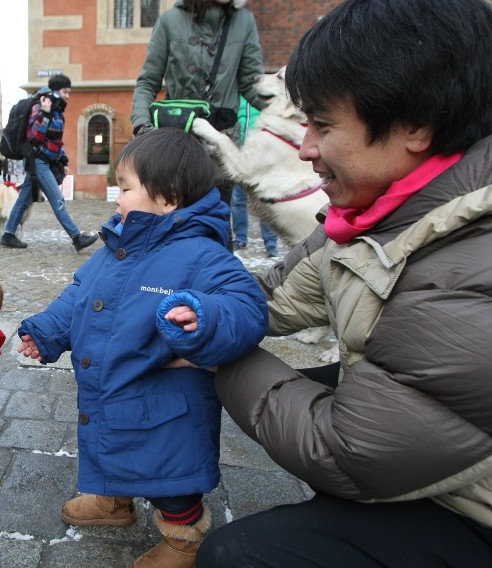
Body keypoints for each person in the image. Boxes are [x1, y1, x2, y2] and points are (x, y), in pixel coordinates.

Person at [197, 0, 492, 566]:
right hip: (423, 450)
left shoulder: (468, 262)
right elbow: (276, 291)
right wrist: (191, 304)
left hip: (473, 509)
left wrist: (212, 351)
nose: (306, 147)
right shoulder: (373, 214)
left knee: (236, 556)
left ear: (416, 125)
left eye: (324, 126)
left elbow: (348, 451)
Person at [17, 128, 268, 568]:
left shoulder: (201, 255)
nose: (117, 195)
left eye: (127, 187)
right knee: (107, 443)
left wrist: (204, 316)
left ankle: (183, 539)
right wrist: (47, 331)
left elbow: (246, 305)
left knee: (169, 478)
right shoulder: (117, 247)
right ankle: (113, 501)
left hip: (166, 406)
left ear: (167, 198)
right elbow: (79, 296)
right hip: (112, 388)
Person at [131, 0, 265, 248]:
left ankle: (219, 285)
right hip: (179, 147)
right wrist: (141, 125)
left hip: (220, 146)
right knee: (176, 227)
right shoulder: (170, 21)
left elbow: (252, 84)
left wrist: (294, 107)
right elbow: (148, 82)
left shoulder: (243, 21)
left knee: (218, 229)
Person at [0, 74, 99, 252]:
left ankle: (8, 234)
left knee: (24, 200)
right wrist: (44, 113)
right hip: (38, 162)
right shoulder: (40, 107)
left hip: (47, 161)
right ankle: (77, 237)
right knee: (57, 199)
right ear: (55, 91)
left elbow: (56, 140)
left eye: (69, 92)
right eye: (64, 91)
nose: (68, 95)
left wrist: (63, 160)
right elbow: (34, 137)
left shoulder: (59, 111)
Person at [231, 97, 278, 257]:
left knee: (265, 201)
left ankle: (271, 243)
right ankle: (240, 238)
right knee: (238, 200)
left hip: (263, 158)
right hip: (240, 155)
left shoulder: (267, 97)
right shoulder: (236, 96)